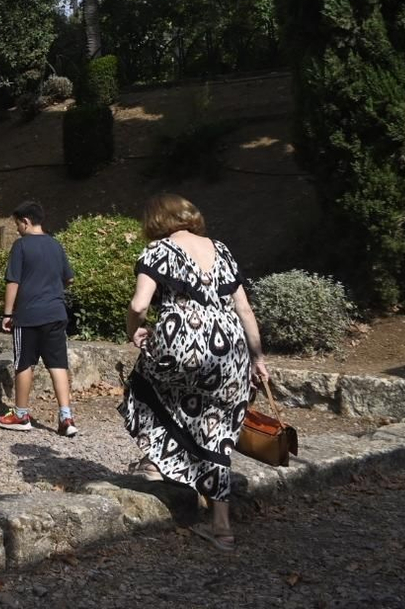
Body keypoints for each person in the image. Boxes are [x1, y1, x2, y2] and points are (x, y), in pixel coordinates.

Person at [120, 194, 268, 552]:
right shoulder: (222, 249)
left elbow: (140, 304)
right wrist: (258, 358)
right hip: (229, 348)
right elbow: (245, 310)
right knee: (216, 430)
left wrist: (132, 330)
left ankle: (160, 461)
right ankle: (222, 529)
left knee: (142, 387)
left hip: (181, 344)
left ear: (156, 221)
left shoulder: (159, 250)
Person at [0, 201, 78, 436]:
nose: (17, 229)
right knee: (58, 363)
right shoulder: (55, 244)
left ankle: (21, 415)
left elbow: (13, 281)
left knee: (24, 362)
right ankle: (66, 416)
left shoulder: (21, 246)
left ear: (26, 221)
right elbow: (68, 278)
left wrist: (8, 313)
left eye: (17, 224)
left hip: (29, 315)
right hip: (55, 312)